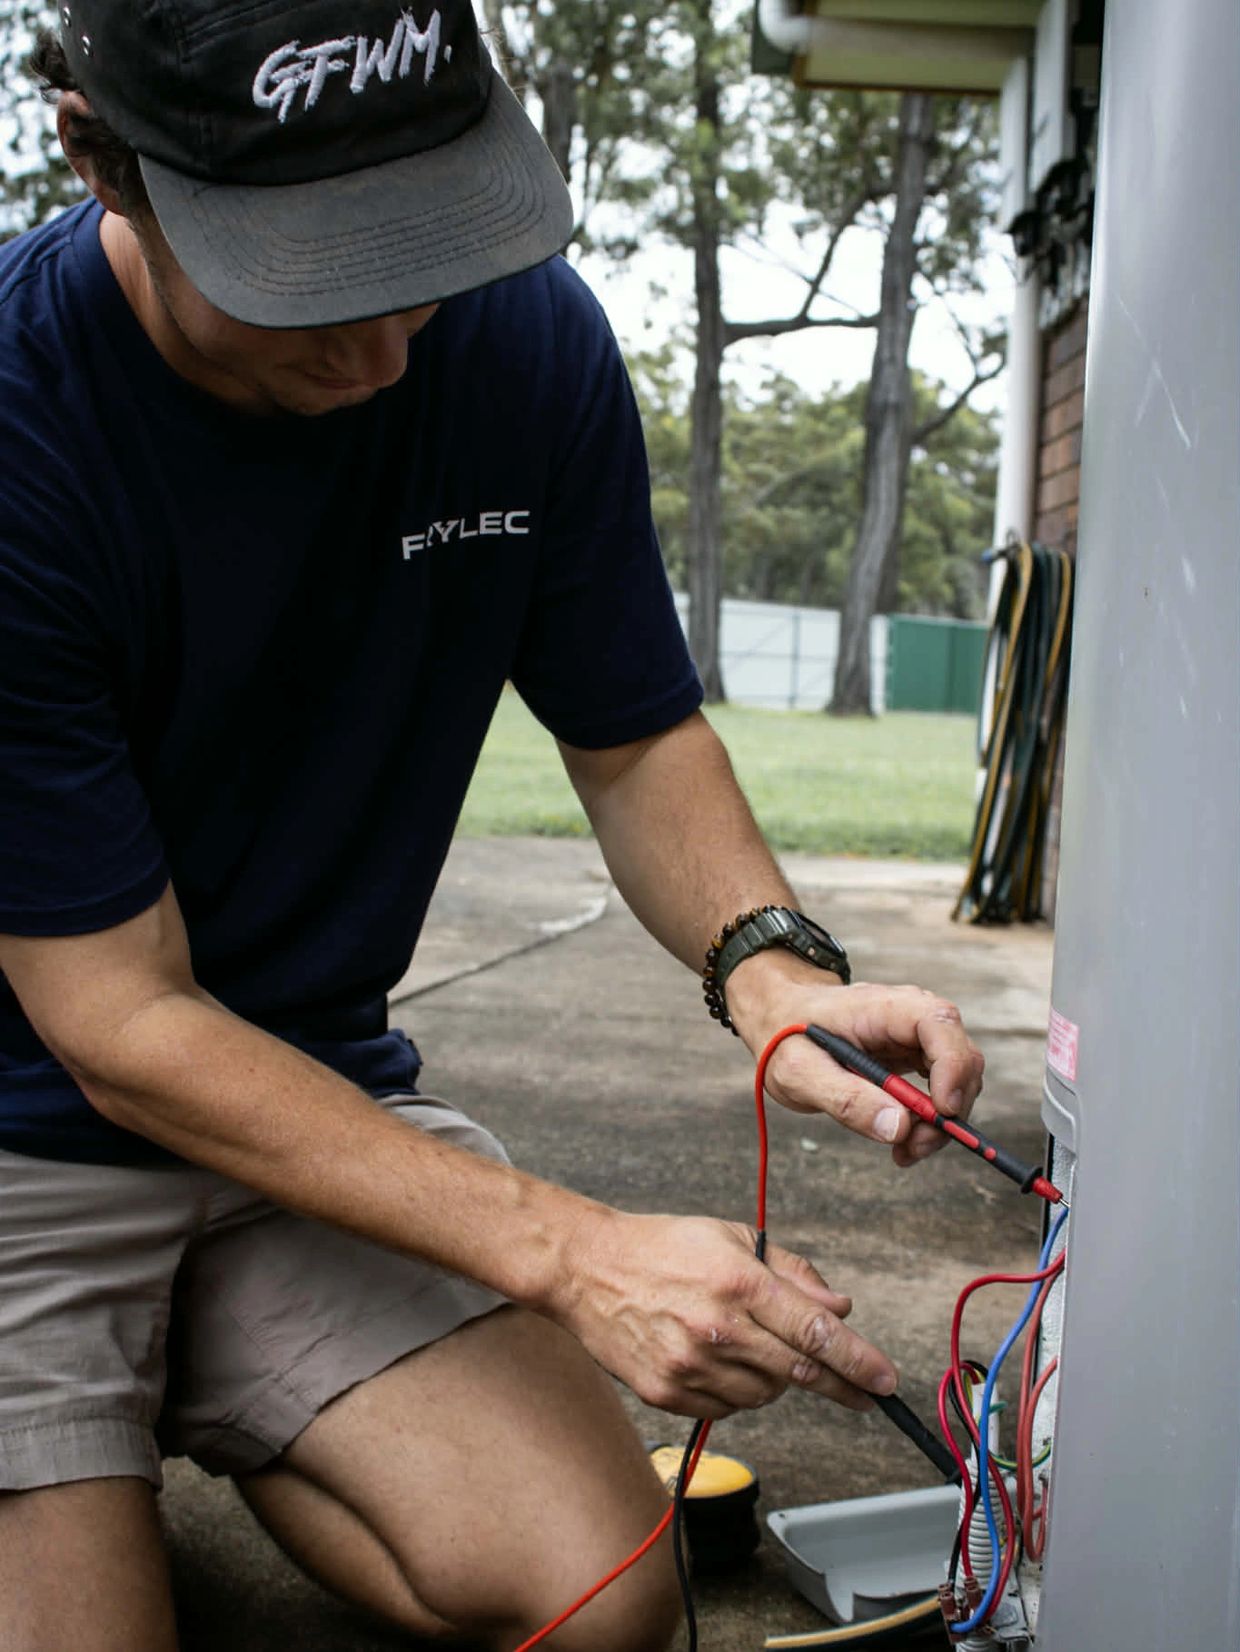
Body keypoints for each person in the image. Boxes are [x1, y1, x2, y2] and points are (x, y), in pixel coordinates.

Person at [0, 4, 984, 1649]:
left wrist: (772, 973)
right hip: (27, 1150)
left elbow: (634, 738)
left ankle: (206, 1393)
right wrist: (571, 1254)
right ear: (104, 159)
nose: (390, 350)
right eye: (308, 277)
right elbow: (117, 1023)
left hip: (309, 1126)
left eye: (423, 245)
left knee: (607, 1607)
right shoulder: (24, 433)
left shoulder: (519, 342)